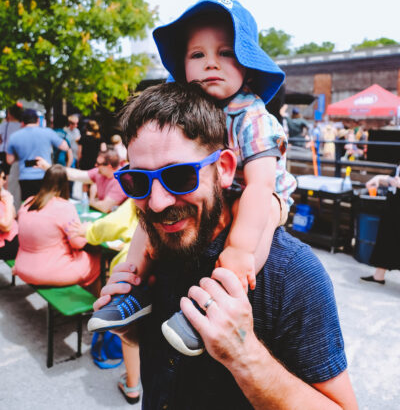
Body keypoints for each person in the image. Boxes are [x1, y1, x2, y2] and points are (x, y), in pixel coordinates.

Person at [93, 82, 357, 409]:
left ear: (226, 169)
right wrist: (132, 331)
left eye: (179, 177)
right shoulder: (157, 253)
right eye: (138, 181)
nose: (158, 202)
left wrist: (246, 357)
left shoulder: (291, 274)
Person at [89, 0, 297, 339]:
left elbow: (261, 186)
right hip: (208, 190)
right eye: (197, 55)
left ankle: (221, 298)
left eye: (226, 53)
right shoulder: (187, 111)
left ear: (247, 64)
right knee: (152, 207)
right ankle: (132, 286)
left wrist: (239, 248)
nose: (211, 64)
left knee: (258, 219)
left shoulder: (253, 117)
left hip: (256, 193)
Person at [67, 199, 141, 404]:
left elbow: (112, 224)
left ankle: (133, 386)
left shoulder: (143, 192)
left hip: (135, 269)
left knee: (130, 331)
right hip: (178, 270)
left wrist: (88, 231)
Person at [14, 165, 100, 291]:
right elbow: (77, 243)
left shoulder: (28, 202)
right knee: (97, 260)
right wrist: (85, 229)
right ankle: (92, 300)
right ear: (65, 184)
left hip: (22, 267)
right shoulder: (64, 207)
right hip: (50, 271)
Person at [6, 109, 69, 200]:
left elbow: (9, 160)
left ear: (22, 122)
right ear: (38, 120)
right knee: (45, 203)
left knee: (28, 204)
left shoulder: (14, 137)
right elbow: (65, 146)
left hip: (25, 177)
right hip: (45, 175)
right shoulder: (48, 132)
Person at [36, 149, 126, 213]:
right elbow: (76, 175)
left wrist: (90, 201)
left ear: (109, 166)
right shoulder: (99, 173)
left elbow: (105, 207)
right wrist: (48, 167)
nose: (95, 165)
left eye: (98, 164)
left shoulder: (121, 180)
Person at [360, 166, 400, 285]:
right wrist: (378, 178)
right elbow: (393, 178)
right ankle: (379, 276)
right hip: (393, 205)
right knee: (386, 239)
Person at [0, 163, 19, 260]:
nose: (4, 181)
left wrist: (8, 201)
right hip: (6, 246)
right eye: (3, 178)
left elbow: (14, 215)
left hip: (13, 239)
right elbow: (6, 226)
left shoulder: (2, 196)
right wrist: (8, 202)